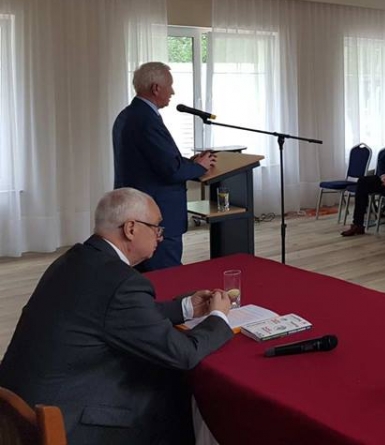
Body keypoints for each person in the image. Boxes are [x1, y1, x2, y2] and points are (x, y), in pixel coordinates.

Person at [0, 188, 233, 445]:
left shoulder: (74, 260)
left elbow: (114, 314)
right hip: (63, 423)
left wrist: (186, 308)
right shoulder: (122, 282)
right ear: (131, 228)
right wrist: (218, 318)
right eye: (156, 227)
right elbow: (182, 354)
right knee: (173, 387)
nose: (160, 236)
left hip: (17, 408)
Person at [112, 62, 216, 270]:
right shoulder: (146, 120)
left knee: (145, 272)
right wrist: (200, 166)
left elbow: (154, 160)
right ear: (156, 88)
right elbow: (171, 170)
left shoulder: (127, 114)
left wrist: (189, 162)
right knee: (165, 273)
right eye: (170, 85)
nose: (173, 92)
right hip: (157, 213)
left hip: (136, 207)